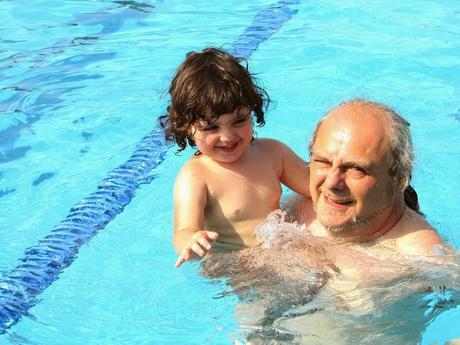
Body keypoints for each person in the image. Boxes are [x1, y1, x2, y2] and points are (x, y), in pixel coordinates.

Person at [159, 47, 310, 267]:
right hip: (235, 265)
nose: (227, 136)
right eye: (211, 127)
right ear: (187, 127)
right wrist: (192, 241)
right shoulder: (196, 176)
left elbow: (314, 185)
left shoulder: (273, 153)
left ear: (253, 110)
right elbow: (183, 230)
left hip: (277, 251)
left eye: (239, 120)